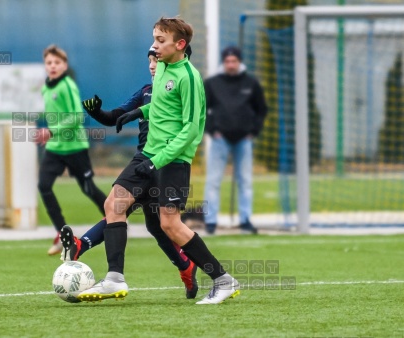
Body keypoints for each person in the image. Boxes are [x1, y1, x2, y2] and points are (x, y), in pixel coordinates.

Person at [78, 17, 240, 305]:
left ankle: (222, 280)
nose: (154, 46)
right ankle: (114, 278)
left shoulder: (189, 77)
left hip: (173, 160)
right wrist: (138, 113)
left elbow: (191, 129)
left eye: (161, 40)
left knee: (170, 226)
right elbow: (163, 105)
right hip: (149, 153)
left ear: (180, 45)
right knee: (114, 204)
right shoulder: (163, 66)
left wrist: (158, 161)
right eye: (154, 38)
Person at [59, 44, 198, 299]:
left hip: (163, 163)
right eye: (149, 62)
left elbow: (191, 127)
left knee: (158, 226)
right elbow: (115, 117)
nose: (153, 66)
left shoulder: (179, 88)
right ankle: (90, 254)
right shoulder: (145, 92)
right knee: (120, 208)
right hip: (141, 162)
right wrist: (96, 112)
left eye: (156, 60)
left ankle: (188, 266)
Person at [35, 44, 107, 256]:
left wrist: (51, 131)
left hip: (75, 147)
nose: (53, 66)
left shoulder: (68, 85)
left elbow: (77, 116)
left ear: (64, 66)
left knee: (88, 188)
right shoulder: (46, 87)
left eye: (57, 62)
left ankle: (114, 221)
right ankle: (61, 233)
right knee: (43, 186)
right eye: (49, 63)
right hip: (56, 148)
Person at [203, 46, 268, 235]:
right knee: (213, 180)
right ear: (223, 62)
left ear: (239, 62)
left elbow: (261, 109)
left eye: (234, 61)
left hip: (244, 139)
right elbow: (202, 110)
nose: (231, 65)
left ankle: (245, 219)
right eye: (228, 61)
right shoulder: (212, 83)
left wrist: (253, 131)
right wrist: (212, 129)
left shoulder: (251, 83)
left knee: (245, 181)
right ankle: (211, 221)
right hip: (219, 139)